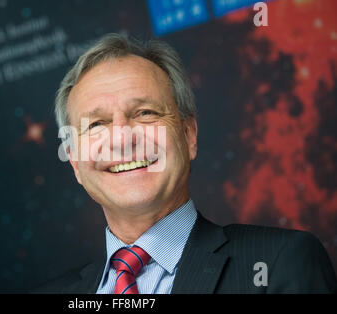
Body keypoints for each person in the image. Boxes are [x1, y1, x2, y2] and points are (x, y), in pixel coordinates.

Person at [38, 33, 337, 294]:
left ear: (188, 135)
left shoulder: (279, 264)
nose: (121, 139)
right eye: (97, 124)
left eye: (145, 113)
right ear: (75, 162)